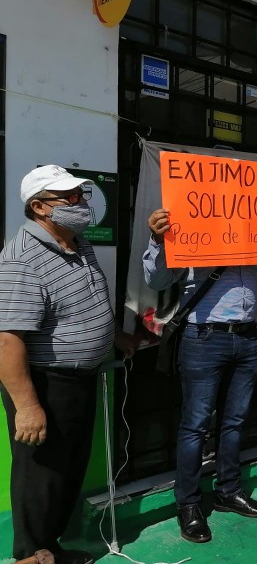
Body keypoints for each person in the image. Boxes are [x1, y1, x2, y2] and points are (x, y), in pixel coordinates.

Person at [0, 165, 137, 564]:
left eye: (81, 195)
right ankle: (30, 556)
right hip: (45, 384)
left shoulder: (77, 243)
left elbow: (87, 303)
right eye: (70, 198)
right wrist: (27, 406)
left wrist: (116, 337)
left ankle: (51, 550)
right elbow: (8, 340)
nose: (81, 204)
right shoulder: (22, 259)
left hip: (79, 379)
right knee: (41, 476)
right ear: (40, 207)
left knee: (68, 469)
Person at [144, 207, 257, 543]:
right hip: (203, 338)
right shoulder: (190, 227)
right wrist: (158, 240)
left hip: (245, 337)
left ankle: (229, 491)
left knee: (235, 421)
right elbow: (157, 280)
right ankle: (188, 504)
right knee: (195, 425)